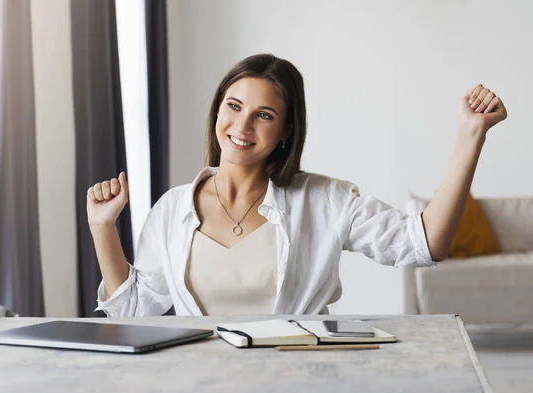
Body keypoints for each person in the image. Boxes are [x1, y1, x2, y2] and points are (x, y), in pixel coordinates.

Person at [86, 54, 507, 317]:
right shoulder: (173, 208)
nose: (242, 126)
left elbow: (425, 244)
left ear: (286, 129)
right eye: (233, 106)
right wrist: (104, 227)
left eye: (264, 115)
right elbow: (137, 310)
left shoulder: (328, 200)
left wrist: (471, 135)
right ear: (217, 111)